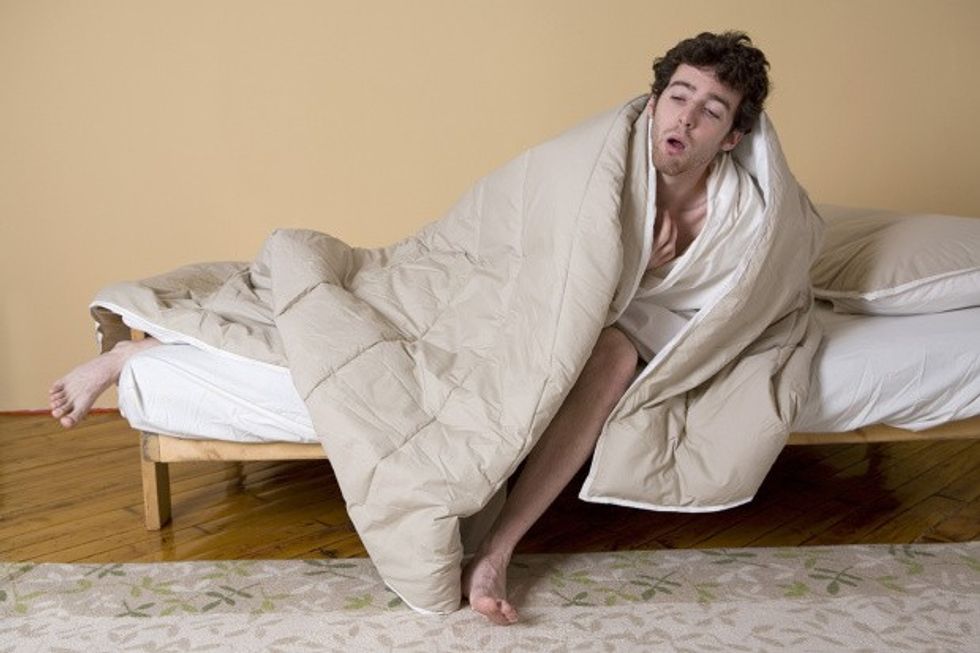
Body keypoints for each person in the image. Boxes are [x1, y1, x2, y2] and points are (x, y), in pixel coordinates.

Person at [50, 30, 770, 626]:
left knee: (615, 353)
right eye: (677, 96)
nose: (686, 118)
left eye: (711, 110)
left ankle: (496, 550)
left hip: (586, 326)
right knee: (340, 296)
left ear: (733, 135)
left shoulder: (737, 218)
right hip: (470, 282)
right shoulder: (599, 160)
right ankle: (144, 353)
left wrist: (629, 278)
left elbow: (727, 303)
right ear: (653, 102)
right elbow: (522, 240)